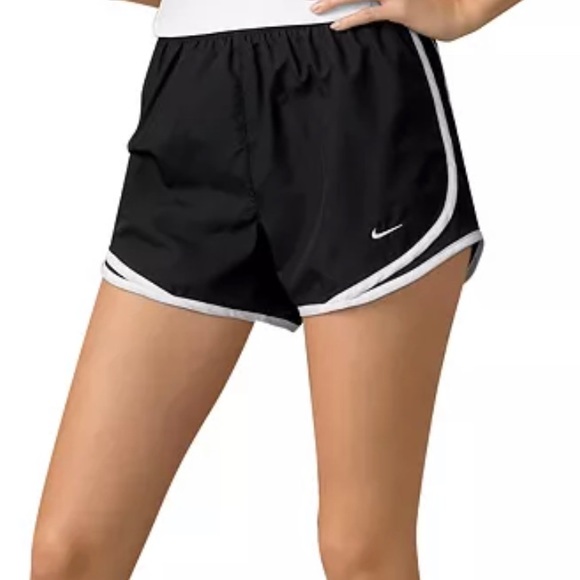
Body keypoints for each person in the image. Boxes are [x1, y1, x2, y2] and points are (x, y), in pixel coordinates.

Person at [30, 0, 521, 578]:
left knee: (358, 549)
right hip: (192, 91)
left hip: (349, 82)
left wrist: (463, 8)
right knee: (69, 553)